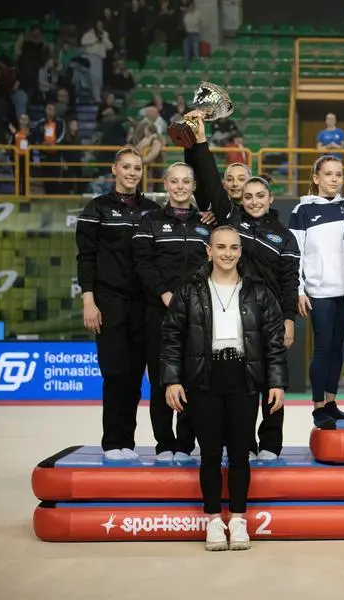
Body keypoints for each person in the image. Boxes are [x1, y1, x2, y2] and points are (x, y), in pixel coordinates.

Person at [160, 226, 288, 551]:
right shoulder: (190, 289)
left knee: (241, 455)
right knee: (211, 455)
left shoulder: (258, 290)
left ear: (241, 251)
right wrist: (173, 379)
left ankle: (240, 519)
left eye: (233, 247)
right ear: (209, 250)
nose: (227, 253)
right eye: (221, 247)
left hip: (244, 379)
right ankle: (214, 520)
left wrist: (276, 382)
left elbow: (274, 341)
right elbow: (172, 336)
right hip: (204, 378)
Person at [187, 113, 299, 461]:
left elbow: (289, 280)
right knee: (246, 386)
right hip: (236, 316)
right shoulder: (230, 219)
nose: (252, 201)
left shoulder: (284, 236)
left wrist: (289, 319)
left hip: (270, 317)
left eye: (259, 196)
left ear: (269, 198)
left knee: (274, 381)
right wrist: (200, 140)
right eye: (247, 196)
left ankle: (270, 445)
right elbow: (207, 177)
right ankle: (246, 444)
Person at [76, 147, 159, 461]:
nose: (132, 173)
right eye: (126, 167)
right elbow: (85, 258)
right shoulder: (96, 209)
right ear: (114, 169)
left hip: (143, 305)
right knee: (115, 374)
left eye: (136, 168)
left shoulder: (152, 211)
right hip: (108, 303)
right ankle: (112, 442)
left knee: (136, 377)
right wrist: (89, 300)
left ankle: (128, 443)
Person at [133, 162, 211, 462]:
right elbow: (142, 263)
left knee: (193, 380)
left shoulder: (206, 224)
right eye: (174, 182)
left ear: (193, 186)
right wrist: (164, 294)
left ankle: (185, 444)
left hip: (197, 315)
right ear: (166, 185)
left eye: (186, 182)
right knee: (162, 380)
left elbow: (214, 265)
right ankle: (164, 443)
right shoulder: (149, 222)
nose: (180, 187)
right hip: (159, 312)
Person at [289, 155, 344, 430]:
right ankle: (318, 407)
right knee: (323, 348)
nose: (334, 179)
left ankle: (331, 402)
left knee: (337, 349)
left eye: (338, 174)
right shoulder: (303, 211)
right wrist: (299, 289)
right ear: (316, 178)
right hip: (319, 292)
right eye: (328, 174)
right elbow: (296, 253)